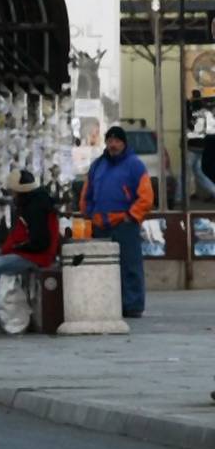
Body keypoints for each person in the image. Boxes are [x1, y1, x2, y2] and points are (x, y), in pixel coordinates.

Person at [78, 124, 154, 318]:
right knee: (103, 268)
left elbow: (146, 197)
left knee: (130, 266)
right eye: (110, 140)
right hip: (100, 225)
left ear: (124, 143)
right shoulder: (97, 165)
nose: (113, 144)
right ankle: (108, 304)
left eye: (117, 141)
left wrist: (131, 216)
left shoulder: (135, 164)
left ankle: (133, 306)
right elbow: (88, 191)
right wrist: (86, 212)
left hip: (124, 223)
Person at [0, 170, 61, 333]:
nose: (12, 195)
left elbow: (39, 241)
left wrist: (16, 248)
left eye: (13, 191)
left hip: (35, 255)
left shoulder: (34, 207)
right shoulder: (35, 202)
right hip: (33, 253)